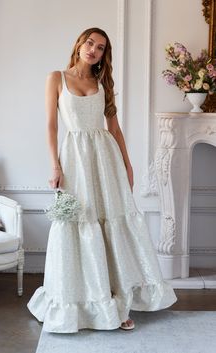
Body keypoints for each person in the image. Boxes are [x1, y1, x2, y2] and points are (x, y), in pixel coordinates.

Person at [27, 27, 177, 333]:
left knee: (111, 226)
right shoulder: (56, 78)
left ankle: (116, 300)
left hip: (105, 159)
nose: (93, 49)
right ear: (80, 43)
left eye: (100, 47)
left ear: (103, 55)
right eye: (90, 43)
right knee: (79, 224)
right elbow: (51, 126)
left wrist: (128, 164)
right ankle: (84, 303)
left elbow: (115, 129)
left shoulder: (102, 82)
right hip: (75, 161)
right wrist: (54, 166)